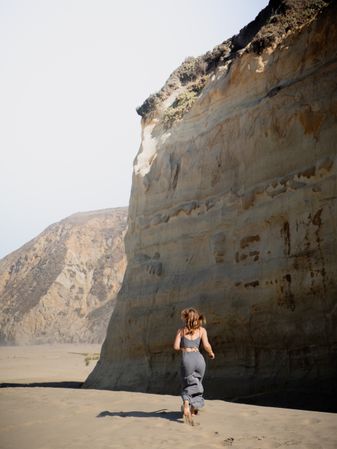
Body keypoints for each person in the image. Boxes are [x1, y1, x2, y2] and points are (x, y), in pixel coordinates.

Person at [173, 307, 215, 425]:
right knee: (197, 382)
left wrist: (184, 348)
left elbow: (176, 347)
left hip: (187, 359)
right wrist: (211, 353)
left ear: (186, 318)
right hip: (199, 359)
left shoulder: (181, 331)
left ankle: (186, 403)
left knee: (187, 383)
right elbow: (206, 345)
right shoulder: (202, 330)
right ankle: (193, 408)